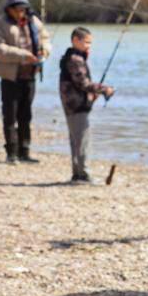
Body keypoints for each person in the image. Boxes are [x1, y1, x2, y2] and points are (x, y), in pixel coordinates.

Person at [0, 0, 51, 164]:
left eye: (23, 9)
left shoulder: (34, 21)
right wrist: (23, 55)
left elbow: (45, 38)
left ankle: (25, 152)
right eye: (16, 9)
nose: (20, 12)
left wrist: (44, 51)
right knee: (10, 116)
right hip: (10, 78)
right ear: (8, 9)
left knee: (26, 116)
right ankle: (11, 154)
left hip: (30, 76)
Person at [58, 27, 113, 183]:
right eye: (87, 42)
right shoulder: (75, 60)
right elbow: (83, 83)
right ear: (76, 40)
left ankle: (77, 173)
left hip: (72, 103)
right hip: (76, 105)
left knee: (76, 139)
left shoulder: (72, 57)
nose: (89, 46)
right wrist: (105, 89)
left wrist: (92, 93)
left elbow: (80, 84)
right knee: (82, 140)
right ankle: (83, 174)